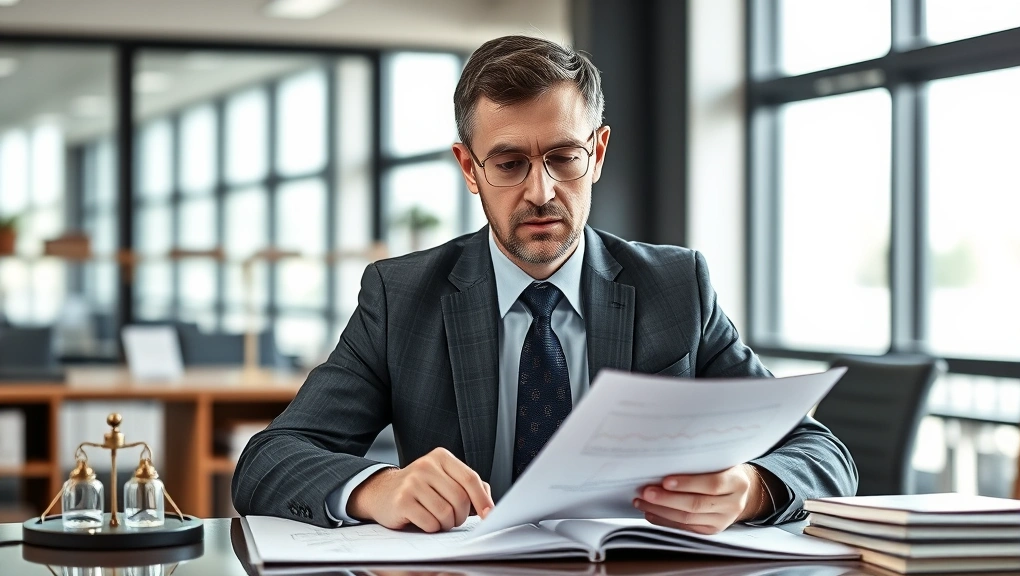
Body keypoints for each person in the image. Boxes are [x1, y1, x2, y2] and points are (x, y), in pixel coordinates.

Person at [232, 35, 857, 535]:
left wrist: (751, 489)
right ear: (469, 169)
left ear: (599, 152)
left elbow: (819, 453)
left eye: (563, 157)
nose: (541, 191)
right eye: (509, 164)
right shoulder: (402, 296)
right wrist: (376, 487)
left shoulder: (676, 286)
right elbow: (268, 461)